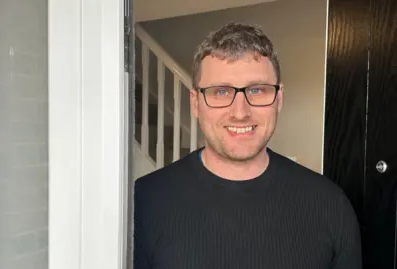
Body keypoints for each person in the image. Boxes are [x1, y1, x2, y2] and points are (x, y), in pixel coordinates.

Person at [133, 22, 362, 269]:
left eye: (257, 90)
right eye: (220, 92)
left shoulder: (329, 205)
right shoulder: (144, 200)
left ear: (279, 99)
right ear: (196, 103)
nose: (240, 112)